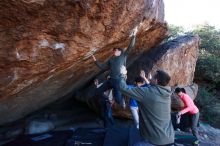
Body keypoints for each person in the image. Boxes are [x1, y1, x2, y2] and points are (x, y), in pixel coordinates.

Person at [119, 66, 175, 146]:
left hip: (156, 141)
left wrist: (122, 74)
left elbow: (123, 88)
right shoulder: (166, 93)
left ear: (156, 81)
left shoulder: (148, 92)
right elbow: (151, 86)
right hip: (169, 138)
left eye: (152, 77)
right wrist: (144, 78)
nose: (150, 78)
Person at [91, 26, 138, 108]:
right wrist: (95, 61)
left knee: (118, 100)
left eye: (115, 50)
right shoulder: (111, 60)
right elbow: (103, 67)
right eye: (113, 50)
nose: (114, 51)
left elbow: (131, 46)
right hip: (110, 80)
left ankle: (121, 101)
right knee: (97, 92)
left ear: (120, 51)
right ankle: (108, 100)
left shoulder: (123, 55)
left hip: (118, 80)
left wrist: (134, 35)